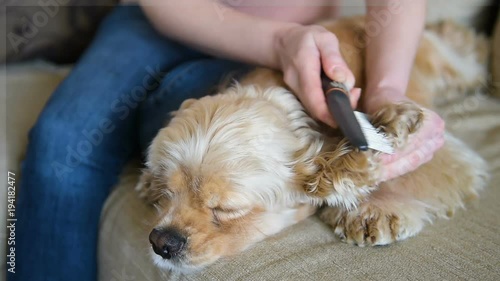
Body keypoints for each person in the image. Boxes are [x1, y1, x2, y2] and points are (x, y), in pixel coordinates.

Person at [10, 0, 444, 280]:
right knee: (60, 143)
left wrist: (388, 90)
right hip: (160, 19)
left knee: (171, 104)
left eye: (224, 207)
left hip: (301, 35)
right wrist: (277, 41)